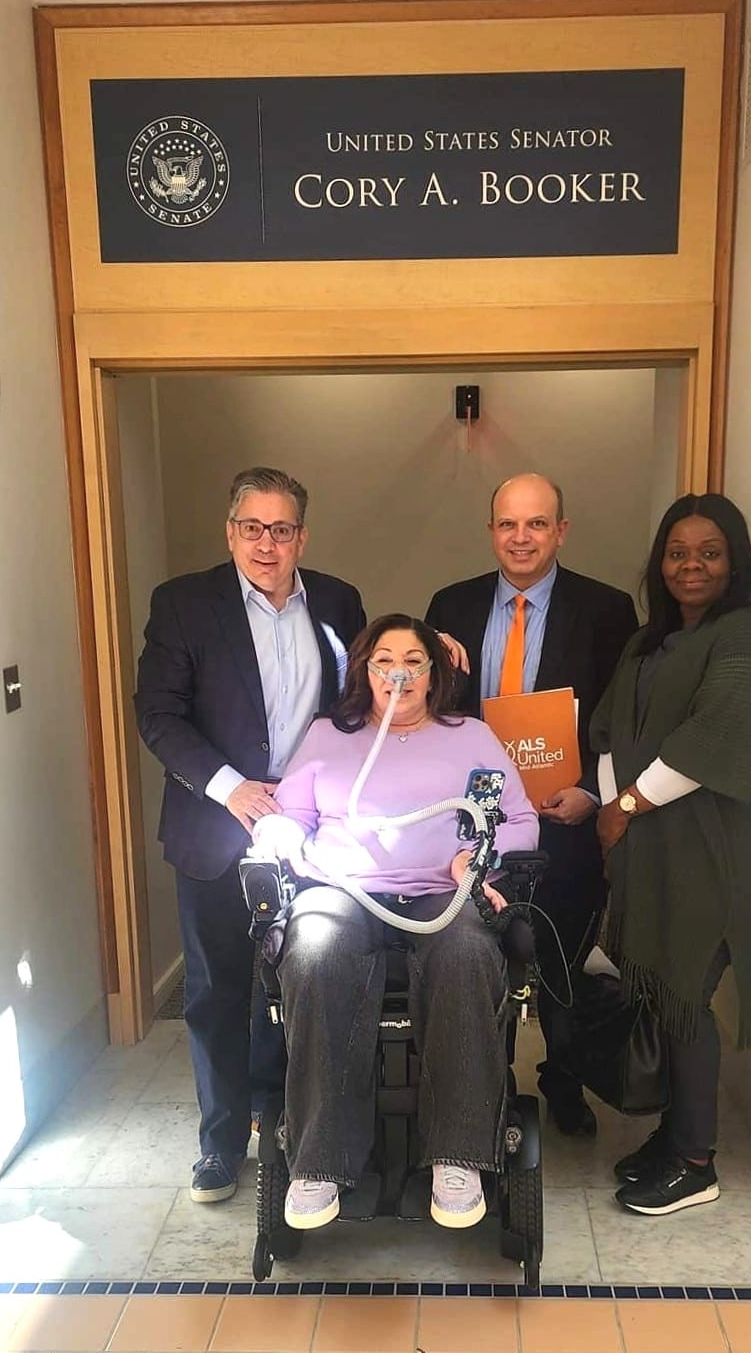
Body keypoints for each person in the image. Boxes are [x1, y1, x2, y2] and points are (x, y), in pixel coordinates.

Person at [261, 614, 539, 1232]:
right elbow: (289, 815)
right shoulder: (330, 735)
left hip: (441, 893)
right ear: (363, 668)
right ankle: (318, 1160)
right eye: (385, 658)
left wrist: (483, 858)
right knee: (312, 952)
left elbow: (518, 821)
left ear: (434, 672)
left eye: (415, 659)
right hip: (344, 889)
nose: (399, 671)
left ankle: (457, 1157)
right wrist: (277, 839)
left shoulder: (470, 737)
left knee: (467, 955)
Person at [134, 466, 366, 1203]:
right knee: (219, 991)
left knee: (302, 983)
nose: (267, 544)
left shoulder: (336, 601)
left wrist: (435, 657)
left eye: (282, 529)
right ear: (230, 531)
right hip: (216, 829)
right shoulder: (183, 604)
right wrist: (230, 787)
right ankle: (221, 1144)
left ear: (303, 534)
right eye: (252, 528)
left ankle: (287, 1120)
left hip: (312, 836)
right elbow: (159, 716)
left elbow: (361, 698)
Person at [591, 493, 751, 1216]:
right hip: (648, 845)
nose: (690, 565)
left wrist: (623, 808)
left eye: (708, 551)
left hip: (709, 847)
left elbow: (720, 735)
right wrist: (617, 819)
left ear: (733, 559)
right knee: (657, 989)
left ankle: (694, 1161)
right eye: (676, 552)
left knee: (686, 990)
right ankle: (673, 1133)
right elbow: (608, 726)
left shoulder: (747, 635)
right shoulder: (647, 641)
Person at [425, 473, 637, 1136]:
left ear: (560, 531)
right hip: (475, 824)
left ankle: (562, 1080)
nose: (521, 537)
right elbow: (425, 711)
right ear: (491, 531)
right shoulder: (449, 605)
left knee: (560, 955)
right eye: (508, 524)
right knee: (478, 951)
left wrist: (595, 793)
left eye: (536, 523)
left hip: (562, 816)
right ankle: (485, 1084)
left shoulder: (605, 610)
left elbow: (619, 718)